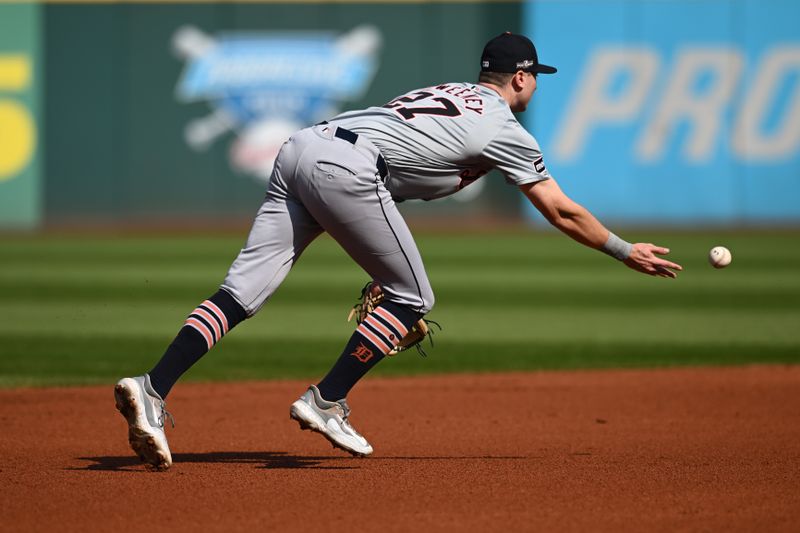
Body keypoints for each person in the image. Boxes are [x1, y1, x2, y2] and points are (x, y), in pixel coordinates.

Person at [114, 32, 683, 470]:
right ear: (521, 77)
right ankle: (325, 400)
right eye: (536, 78)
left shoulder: (442, 93)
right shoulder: (507, 128)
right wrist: (622, 249)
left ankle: (152, 386)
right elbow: (560, 209)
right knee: (414, 298)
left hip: (301, 149)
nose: (536, 87)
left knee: (242, 292)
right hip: (350, 168)